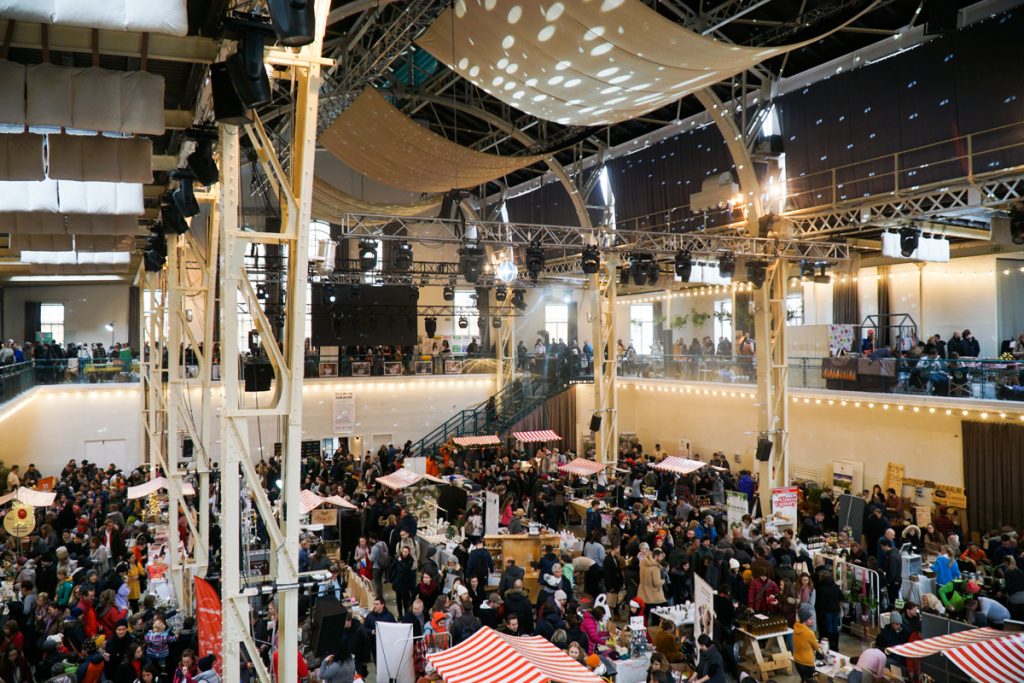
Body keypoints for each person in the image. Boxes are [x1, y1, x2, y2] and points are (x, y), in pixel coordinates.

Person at [791, 606, 819, 681]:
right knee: (810, 681)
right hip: (807, 663)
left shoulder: (796, 628)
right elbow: (817, 648)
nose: (812, 621)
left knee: (803, 679)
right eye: (810, 619)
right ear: (804, 621)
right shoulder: (809, 633)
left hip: (797, 662)